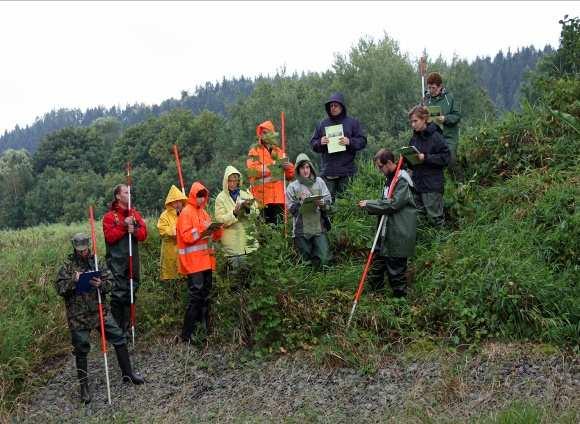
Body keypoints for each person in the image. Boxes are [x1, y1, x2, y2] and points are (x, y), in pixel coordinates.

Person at [55, 233, 144, 404]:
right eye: (80, 250)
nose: (83, 252)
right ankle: (84, 388)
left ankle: (128, 374)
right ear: (74, 247)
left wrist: (100, 284)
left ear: (89, 245)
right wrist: (75, 281)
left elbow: (111, 282)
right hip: (78, 315)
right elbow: (60, 289)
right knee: (81, 349)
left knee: (118, 336)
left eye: (85, 248)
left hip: (99, 310)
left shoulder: (96, 262)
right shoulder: (67, 267)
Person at [358, 149, 417, 298]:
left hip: (398, 233)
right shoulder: (389, 179)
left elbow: (394, 204)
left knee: (396, 271)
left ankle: (400, 303)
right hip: (385, 232)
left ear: (389, 163)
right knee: (377, 265)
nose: (380, 170)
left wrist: (370, 204)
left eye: (380, 167)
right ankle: (375, 297)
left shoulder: (402, 180)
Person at [176, 181, 223, 344]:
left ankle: (203, 332)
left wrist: (217, 229)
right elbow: (187, 237)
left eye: (204, 196)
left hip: (206, 262)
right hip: (193, 264)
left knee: (206, 297)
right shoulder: (186, 213)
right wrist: (203, 229)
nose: (202, 199)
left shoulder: (204, 213)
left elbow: (215, 237)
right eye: (199, 196)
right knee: (195, 299)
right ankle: (187, 335)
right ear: (193, 196)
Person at [103, 184, 148, 336]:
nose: (129, 194)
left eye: (130, 192)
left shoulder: (135, 214)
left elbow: (143, 234)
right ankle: (117, 331)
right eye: (126, 192)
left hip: (132, 262)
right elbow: (109, 237)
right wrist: (124, 226)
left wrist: (134, 230)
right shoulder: (110, 217)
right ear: (118, 196)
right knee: (118, 295)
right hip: (116, 263)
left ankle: (129, 329)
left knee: (131, 292)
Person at [310, 92, 367, 202]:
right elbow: (313, 143)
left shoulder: (352, 123)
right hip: (328, 171)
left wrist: (349, 141)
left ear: (342, 106)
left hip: (347, 171)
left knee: (346, 204)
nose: (333, 108)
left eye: (335, 105)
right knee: (327, 205)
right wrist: (320, 142)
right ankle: (329, 220)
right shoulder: (323, 124)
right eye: (331, 106)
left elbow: (363, 141)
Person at [214, 166, 259, 289]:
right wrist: (234, 213)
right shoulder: (220, 198)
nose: (233, 183)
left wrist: (248, 209)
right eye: (230, 180)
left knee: (251, 278)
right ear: (225, 181)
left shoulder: (246, 194)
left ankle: (250, 303)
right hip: (232, 245)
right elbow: (220, 220)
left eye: (235, 180)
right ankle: (237, 304)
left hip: (248, 243)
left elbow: (257, 213)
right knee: (235, 280)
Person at [287, 153, 333, 268]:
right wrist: (301, 203)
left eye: (307, 167)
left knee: (324, 259)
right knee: (305, 261)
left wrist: (322, 204)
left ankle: (322, 280)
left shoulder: (319, 182)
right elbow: (290, 208)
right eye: (302, 168)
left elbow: (328, 202)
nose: (305, 170)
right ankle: (309, 282)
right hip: (301, 229)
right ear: (298, 169)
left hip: (319, 226)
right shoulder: (292, 187)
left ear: (311, 167)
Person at [407, 105, 450, 227]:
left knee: (435, 219)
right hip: (417, 184)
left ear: (424, 119)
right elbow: (412, 162)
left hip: (432, 184)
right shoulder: (414, 138)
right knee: (420, 220)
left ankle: (443, 245)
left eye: (415, 121)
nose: (413, 125)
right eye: (411, 122)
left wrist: (425, 157)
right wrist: (408, 158)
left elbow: (446, 157)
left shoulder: (436, 136)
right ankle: (426, 245)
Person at [247, 120, 295, 225]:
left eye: (267, 132)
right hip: (262, 199)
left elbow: (290, 175)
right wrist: (274, 167)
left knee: (279, 230)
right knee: (264, 234)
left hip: (278, 198)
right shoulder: (254, 151)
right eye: (263, 132)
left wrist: (288, 167)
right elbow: (252, 171)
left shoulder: (279, 152)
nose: (265, 135)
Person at [425, 72, 463, 181]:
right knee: (429, 160)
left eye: (433, 88)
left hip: (449, 136)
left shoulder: (449, 98)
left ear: (440, 87)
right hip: (433, 136)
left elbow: (457, 116)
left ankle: (460, 184)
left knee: (450, 159)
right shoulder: (426, 100)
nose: (431, 91)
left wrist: (445, 118)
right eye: (429, 88)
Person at [157, 185, 188, 282]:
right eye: (175, 201)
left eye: (179, 201)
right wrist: (176, 230)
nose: (178, 204)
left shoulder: (186, 214)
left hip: (184, 253)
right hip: (170, 252)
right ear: (170, 203)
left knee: (184, 280)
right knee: (171, 281)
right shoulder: (164, 216)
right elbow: (163, 231)